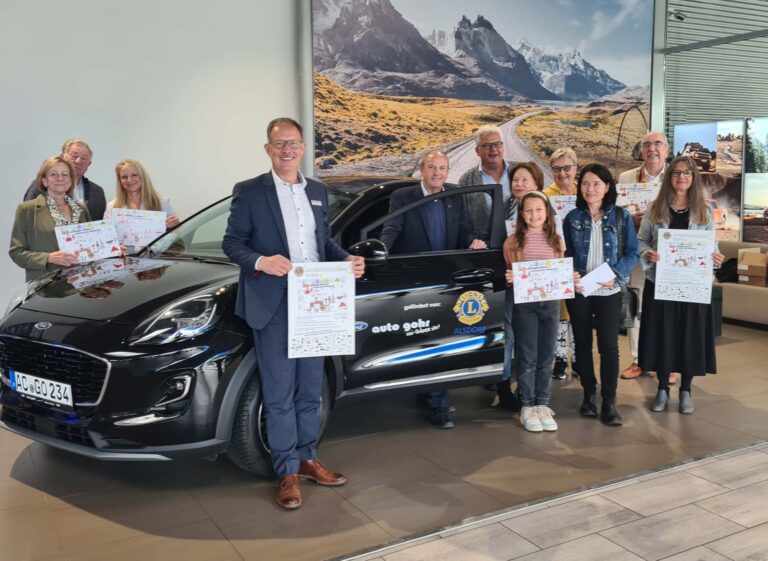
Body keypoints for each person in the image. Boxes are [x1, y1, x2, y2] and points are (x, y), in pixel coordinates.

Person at [222, 117, 365, 510]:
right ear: (268, 149)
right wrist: (261, 261)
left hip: (316, 301)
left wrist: (348, 258)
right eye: (280, 144)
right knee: (279, 392)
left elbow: (324, 243)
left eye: (294, 143)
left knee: (309, 389)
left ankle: (307, 458)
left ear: (303, 148)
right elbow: (232, 243)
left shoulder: (317, 191)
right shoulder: (250, 192)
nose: (287, 150)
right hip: (273, 304)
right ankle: (285, 470)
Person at [379, 151, 485, 429]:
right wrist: (381, 251)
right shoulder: (404, 197)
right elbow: (392, 226)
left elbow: (465, 231)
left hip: (447, 281)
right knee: (421, 339)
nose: (437, 173)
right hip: (414, 281)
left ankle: (438, 402)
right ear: (422, 171)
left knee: (440, 340)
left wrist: (474, 241)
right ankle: (429, 393)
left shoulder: (454, 196)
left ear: (447, 171)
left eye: (442, 168)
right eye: (432, 167)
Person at [637, 156, 724, 414]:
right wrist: (648, 253)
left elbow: (712, 246)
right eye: (676, 172)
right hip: (661, 283)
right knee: (664, 334)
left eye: (687, 173)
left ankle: (686, 389)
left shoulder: (704, 211)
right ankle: (662, 388)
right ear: (669, 176)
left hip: (693, 285)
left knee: (690, 335)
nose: (682, 177)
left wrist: (715, 257)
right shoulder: (655, 209)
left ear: (694, 177)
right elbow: (641, 241)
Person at [563, 163, 639, 426]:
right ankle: (588, 395)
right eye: (585, 183)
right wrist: (570, 272)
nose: (590, 189)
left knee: (609, 347)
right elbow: (567, 253)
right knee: (582, 345)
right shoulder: (572, 218)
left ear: (607, 187)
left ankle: (609, 402)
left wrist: (615, 274)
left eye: (596, 183)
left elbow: (632, 252)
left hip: (609, 289)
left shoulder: (621, 216)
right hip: (581, 290)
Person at [504, 191, 564, 432]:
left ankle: (543, 403)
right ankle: (527, 404)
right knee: (527, 356)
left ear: (547, 212)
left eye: (539, 210)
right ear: (521, 214)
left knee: (546, 355)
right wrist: (510, 277)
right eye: (528, 210)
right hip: (525, 305)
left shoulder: (556, 240)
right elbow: (510, 273)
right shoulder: (512, 242)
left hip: (550, 303)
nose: (534, 215)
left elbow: (559, 269)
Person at [493, 162, 546, 409]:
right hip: (508, 281)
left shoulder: (547, 215)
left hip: (537, 291)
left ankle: (533, 395)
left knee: (530, 342)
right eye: (515, 180)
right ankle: (503, 387)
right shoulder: (503, 207)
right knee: (508, 335)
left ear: (537, 185)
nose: (519, 184)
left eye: (526, 180)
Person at [618, 132, 670, 382]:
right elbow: (617, 217)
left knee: (666, 307)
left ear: (667, 150)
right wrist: (629, 219)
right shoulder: (627, 178)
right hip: (637, 250)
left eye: (657, 144)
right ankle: (639, 360)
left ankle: (668, 362)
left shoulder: (678, 177)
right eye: (647, 145)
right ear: (641, 151)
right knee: (636, 304)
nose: (652, 149)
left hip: (668, 255)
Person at [10, 156, 91, 281]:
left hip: (79, 284)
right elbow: (16, 253)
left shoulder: (81, 209)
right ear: (44, 181)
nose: (60, 178)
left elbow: (91, 244)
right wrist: (48, 258)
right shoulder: (27, 210)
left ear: (70, 181)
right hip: (45, 287)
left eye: (65, 174)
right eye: (54, 174)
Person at [544, 148, 579, 380]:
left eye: (567, 168)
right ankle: (559, 359)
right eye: (557, 169)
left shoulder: (585, 191)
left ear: (576, 168)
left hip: (582, 258)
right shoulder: (545, 195)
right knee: (560, 311)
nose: (563, 173)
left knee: (580, 310)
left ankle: (577, 359)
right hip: (557, 258)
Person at [24, 139, 107, 220]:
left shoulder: (97, 192)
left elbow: (101, 224)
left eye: (84, 158)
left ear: (89, 164)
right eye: (74, 156)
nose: (78, 161)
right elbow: (27, 219)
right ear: (62, 158)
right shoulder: (42, 185)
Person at [457, 125, 512, 239]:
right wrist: (473, 241)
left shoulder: (520, 172)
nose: (493, 149)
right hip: (484, 250)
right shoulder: (466, 180)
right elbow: (463, 223)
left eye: (497, 144)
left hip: (520, 247)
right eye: (487, 146)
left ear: (503, 146)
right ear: (478, 151)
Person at [104, 159, 180, 230]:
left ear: (142, 176)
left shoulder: (160, 201)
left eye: (134, 175)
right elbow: (107, 236)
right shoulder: (111, 207)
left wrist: (175, 224)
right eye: (124, 177)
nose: (129, 180)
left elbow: (176, 232)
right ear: (120, 181)